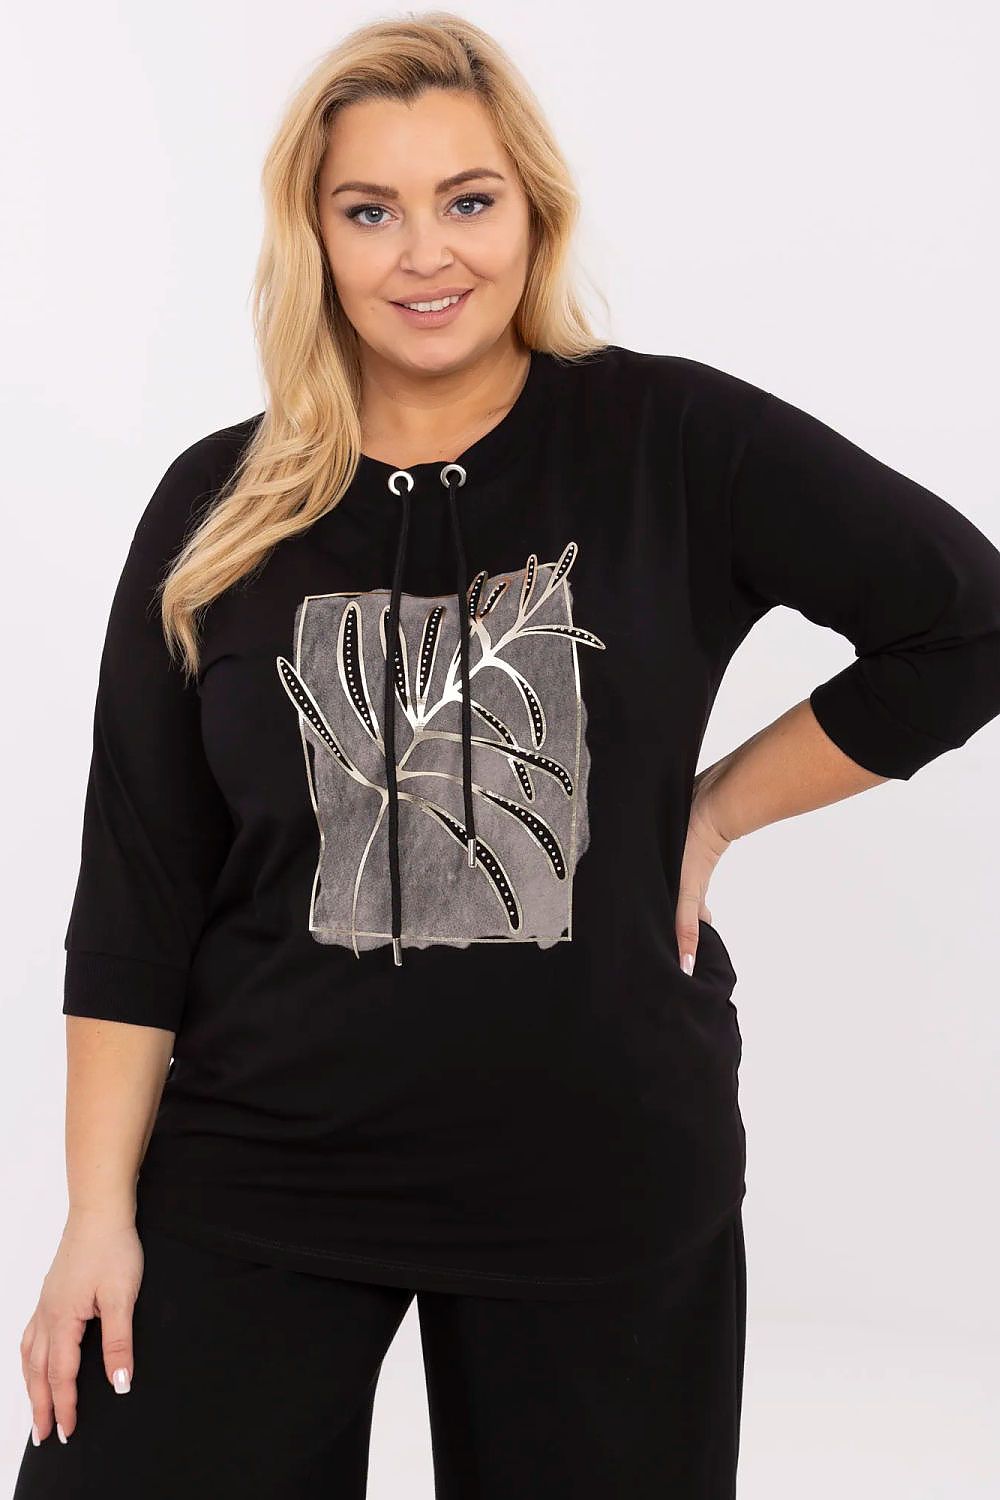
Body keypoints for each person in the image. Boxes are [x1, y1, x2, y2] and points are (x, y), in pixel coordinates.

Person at [14, 12, 1000, 1499]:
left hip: (595, 1171)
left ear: (533, 212)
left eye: (467, 201)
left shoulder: (671, 439)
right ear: (312, 236)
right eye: (371, 210)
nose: (427, 254)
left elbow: (964, 623)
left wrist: (713, 811)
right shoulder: (220, 503)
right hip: (259, 1167)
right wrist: (97, 1210)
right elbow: (139, 887)